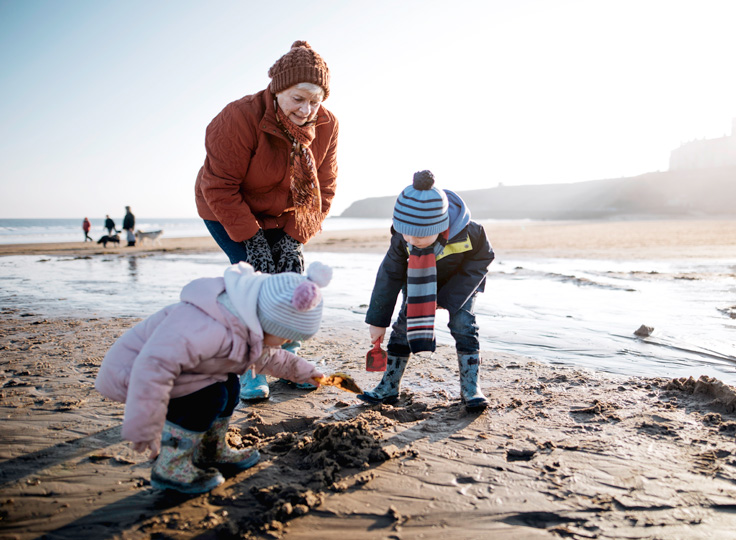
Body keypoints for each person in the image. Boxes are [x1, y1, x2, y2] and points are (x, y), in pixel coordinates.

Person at [94, 261, 332, 494]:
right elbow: (152, 369)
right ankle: (170, 465)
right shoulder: (205, 327)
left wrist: (306, 372)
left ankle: (210, 449)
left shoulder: (245, 321)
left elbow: (269, 358)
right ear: (265, 321)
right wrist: (143, 425)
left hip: (177, 372)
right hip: (133, 375)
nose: (286, 344)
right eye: (284, 337)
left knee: (230, 387)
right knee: (207, 397)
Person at [194, 40, 339, 400]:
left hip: (286, 214)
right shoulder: (237, 118)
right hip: (227, 206)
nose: (307, 110)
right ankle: (252, 369)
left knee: (290, 282)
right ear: (277, 90)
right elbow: (220, 186)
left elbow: (326, 188)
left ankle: (288, 359)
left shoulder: (327, 124)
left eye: (315, 100)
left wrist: (293, 238)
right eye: (298, 98)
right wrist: (253, 241)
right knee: (254, 286)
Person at [358, 171, 495, 411]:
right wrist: (378, 321)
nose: (413, 239)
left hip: (460, 285)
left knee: (463, 325)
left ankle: (471, 389)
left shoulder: (472, 232)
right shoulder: (403, 240)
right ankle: (389, 386)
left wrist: (447, 299)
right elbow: (388, 276)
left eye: (421, 234)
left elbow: (483, 260)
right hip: (418, 282)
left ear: (441, 226)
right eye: (406, 232)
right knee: (402, 328)